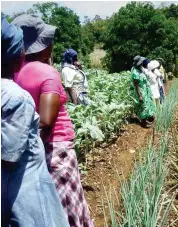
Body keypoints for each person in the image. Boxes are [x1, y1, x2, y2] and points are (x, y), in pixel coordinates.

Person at [12, 14, 93, 227]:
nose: (51, 44)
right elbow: (47, 122)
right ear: (39, 46)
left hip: (33, 149)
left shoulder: (14, 73)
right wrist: (41, 150)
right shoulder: (47, 72)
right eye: (48, 40)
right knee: (67, 201)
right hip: (57, 147)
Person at [1, 15, 69, 227]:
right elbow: (11, 158)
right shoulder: (18, 96)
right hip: (25, 188)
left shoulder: (17, 80)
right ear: (17, 55)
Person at [131, 56, 155, 127]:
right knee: (144, 106)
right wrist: (140, 95)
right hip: (141, 91)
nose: (142, 64)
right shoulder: (135, 72)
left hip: (145, 90)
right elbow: (136, 85)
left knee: (147, 105)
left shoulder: (140, 70)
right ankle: (143, 123)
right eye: (141, 62)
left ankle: (146, 120)